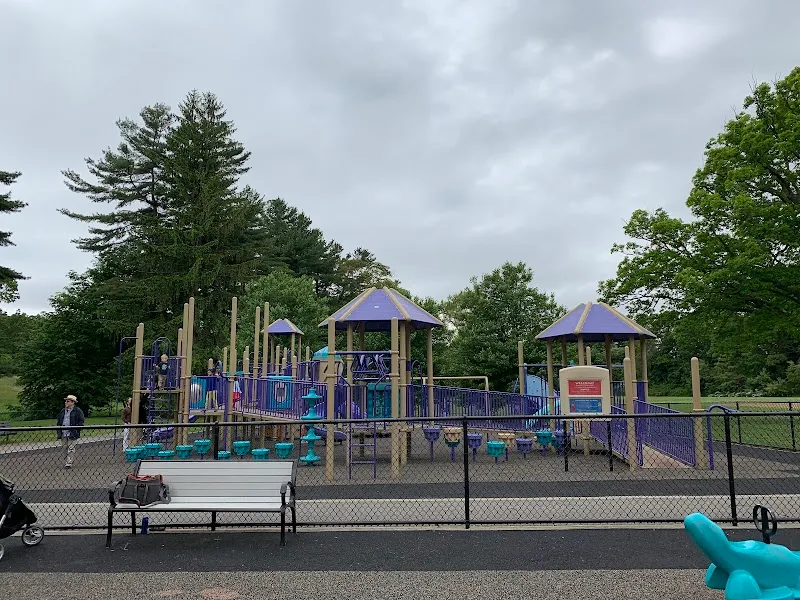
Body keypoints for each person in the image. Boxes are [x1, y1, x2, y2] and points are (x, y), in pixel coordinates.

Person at [55, 395, 85, 469]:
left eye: (68, 401)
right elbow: (59, 421)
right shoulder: (62, 411)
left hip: (72, 432)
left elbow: (81, 421)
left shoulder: (77, 411)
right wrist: (59, 430)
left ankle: (69, 463)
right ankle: (67, 460)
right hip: (64, 432)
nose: (66, 402)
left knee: (71, 448)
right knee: (64, 447)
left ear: (73, 402)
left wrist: (77, 429)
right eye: (66, 401)